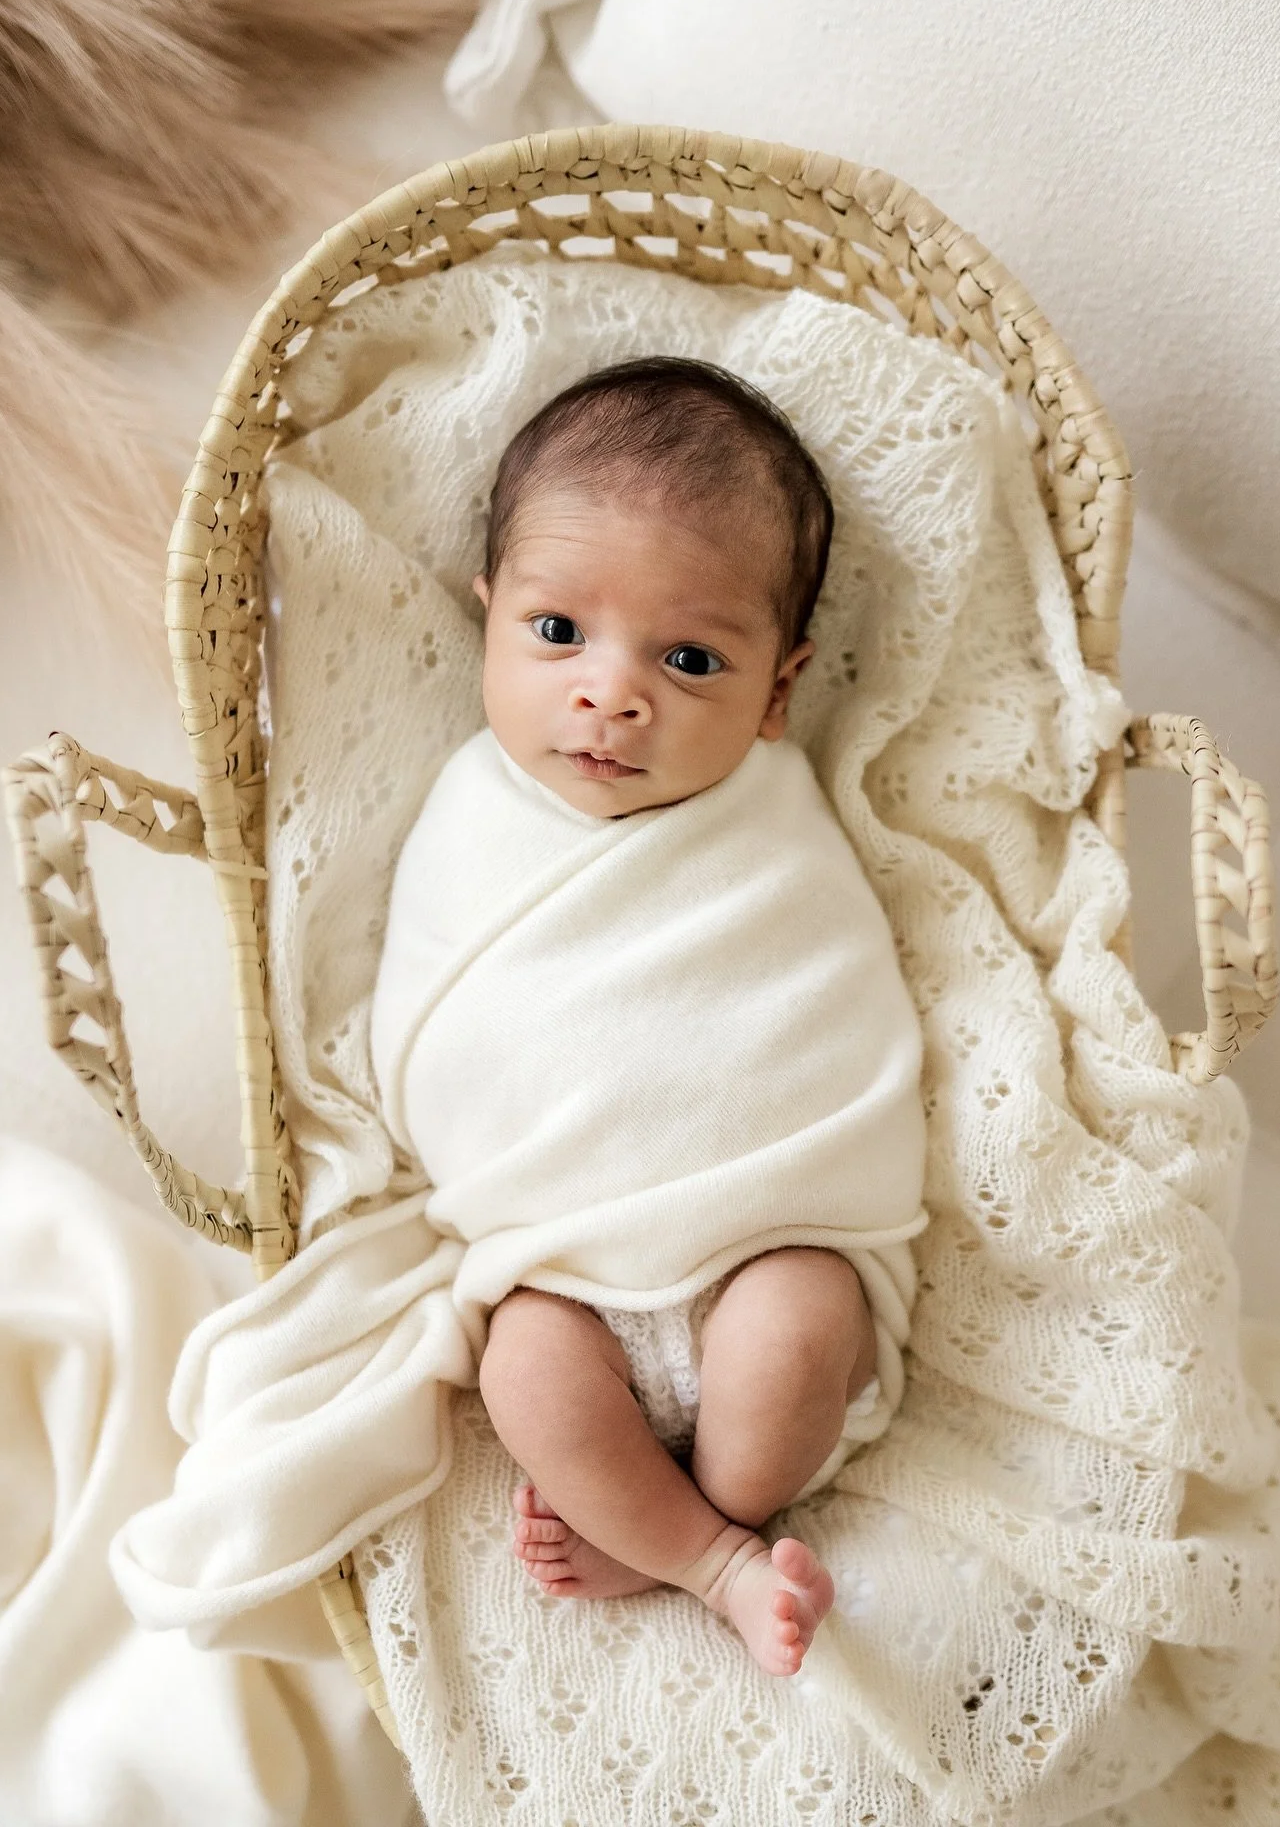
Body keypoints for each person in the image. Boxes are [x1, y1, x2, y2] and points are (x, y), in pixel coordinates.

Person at [370, 355, 926, 1675]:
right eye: (559, 633)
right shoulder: (468, 816)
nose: (612, 695)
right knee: (525, 1374)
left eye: (689, 659)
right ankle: (716, 1558)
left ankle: (700, 1522)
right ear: (488, 612)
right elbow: (438, 1027)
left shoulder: (774, 819)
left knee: (799, 1330)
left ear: (778, 691)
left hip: (764, 1232)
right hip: (562, 1260)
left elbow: (819, 997)